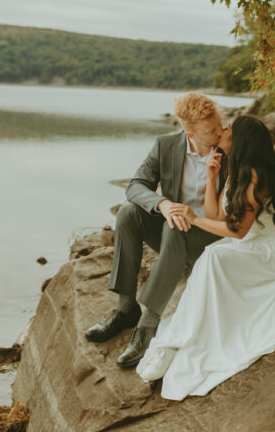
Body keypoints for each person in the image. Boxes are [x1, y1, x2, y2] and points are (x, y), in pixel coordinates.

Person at [135, 114, 275, 401]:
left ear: (239, 141)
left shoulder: (256, 177)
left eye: (228, 130)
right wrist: (211, 178)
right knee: (214, 256)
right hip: (249, 243)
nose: (221, 132)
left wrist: (193, 219)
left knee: (214, 255)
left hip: (271, 249)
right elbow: (217, 216)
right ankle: (180, 337)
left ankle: (181, 339)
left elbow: (236, 232)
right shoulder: (236, 172)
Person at [84, 91, 229, 368]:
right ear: (190, 134)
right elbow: (136, 185)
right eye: (211, 130)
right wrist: (161, 204)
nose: (219, 133)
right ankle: (126, 307)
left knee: (177, 227)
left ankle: (148, 325)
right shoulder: (166, 146)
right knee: (128, 213)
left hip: (210, 237)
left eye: (219, 125)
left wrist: (183, 217)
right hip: (173, 232)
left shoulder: (229, 150)